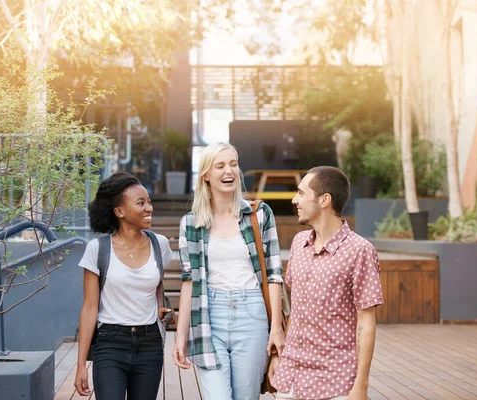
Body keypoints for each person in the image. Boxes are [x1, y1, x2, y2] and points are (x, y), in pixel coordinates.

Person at [172, 142, 285, 400]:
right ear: (205, 175)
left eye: (233, 164)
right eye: (220, 165)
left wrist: (276, 327)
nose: (229, 171)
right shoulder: (191, 223)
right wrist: (181, 336)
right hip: (209, 315)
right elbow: (189, 281)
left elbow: (274, 274)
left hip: (252, 313)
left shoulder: (259, 214)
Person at [271, 166, 384, 400]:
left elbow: (366, 320)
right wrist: (281, 360)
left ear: (324, 200)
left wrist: (360, 387)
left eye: (301, 193)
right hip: (292, 379)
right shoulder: (298, 243)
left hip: (335, 383)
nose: (294, 200)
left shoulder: (360, 251)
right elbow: (297, 310)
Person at [75, 172, 173, 400]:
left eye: (149, 202)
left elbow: (157, 283)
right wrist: (81, 364)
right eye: (141, 203)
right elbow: (89, 308)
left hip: (150, 345)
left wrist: (161, 307)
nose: (149, 208)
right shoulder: (97, 249)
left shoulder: (160, 244)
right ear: (119, 211)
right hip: (110, 343)